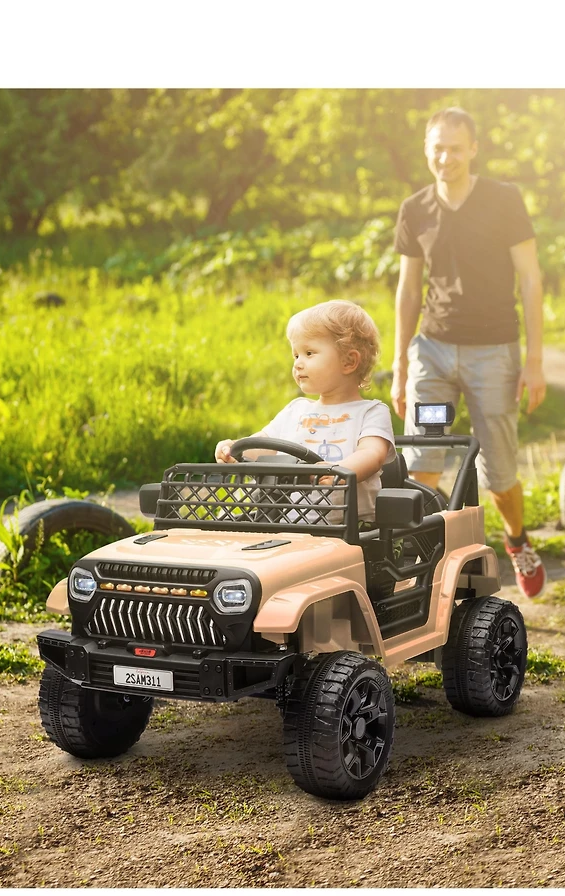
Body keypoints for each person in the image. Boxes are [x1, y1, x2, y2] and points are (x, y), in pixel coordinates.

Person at [391, 106, 547, 598]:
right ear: (426, 150)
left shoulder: (504, 200)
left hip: (493, 355)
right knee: (424, 461)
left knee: (498, 472)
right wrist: (400, 365)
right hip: (433, 353)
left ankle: (517, 540)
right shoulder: (415, 209)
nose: (446, 157)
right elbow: (409, 289)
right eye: (437, 148)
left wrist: (535, 360)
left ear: (473, 149)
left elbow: (530, 278)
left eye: (455, 148)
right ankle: (432, 566)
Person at [216, 299, 396, 524]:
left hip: (350, 529)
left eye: (309, 353)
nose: (298, 363)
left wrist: (339, 472)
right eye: (296, 355)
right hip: (283, 522)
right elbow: (265, 444)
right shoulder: (296, 409)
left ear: (349, 361)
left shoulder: (371, 412)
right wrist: (235, 448)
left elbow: (372, 454)